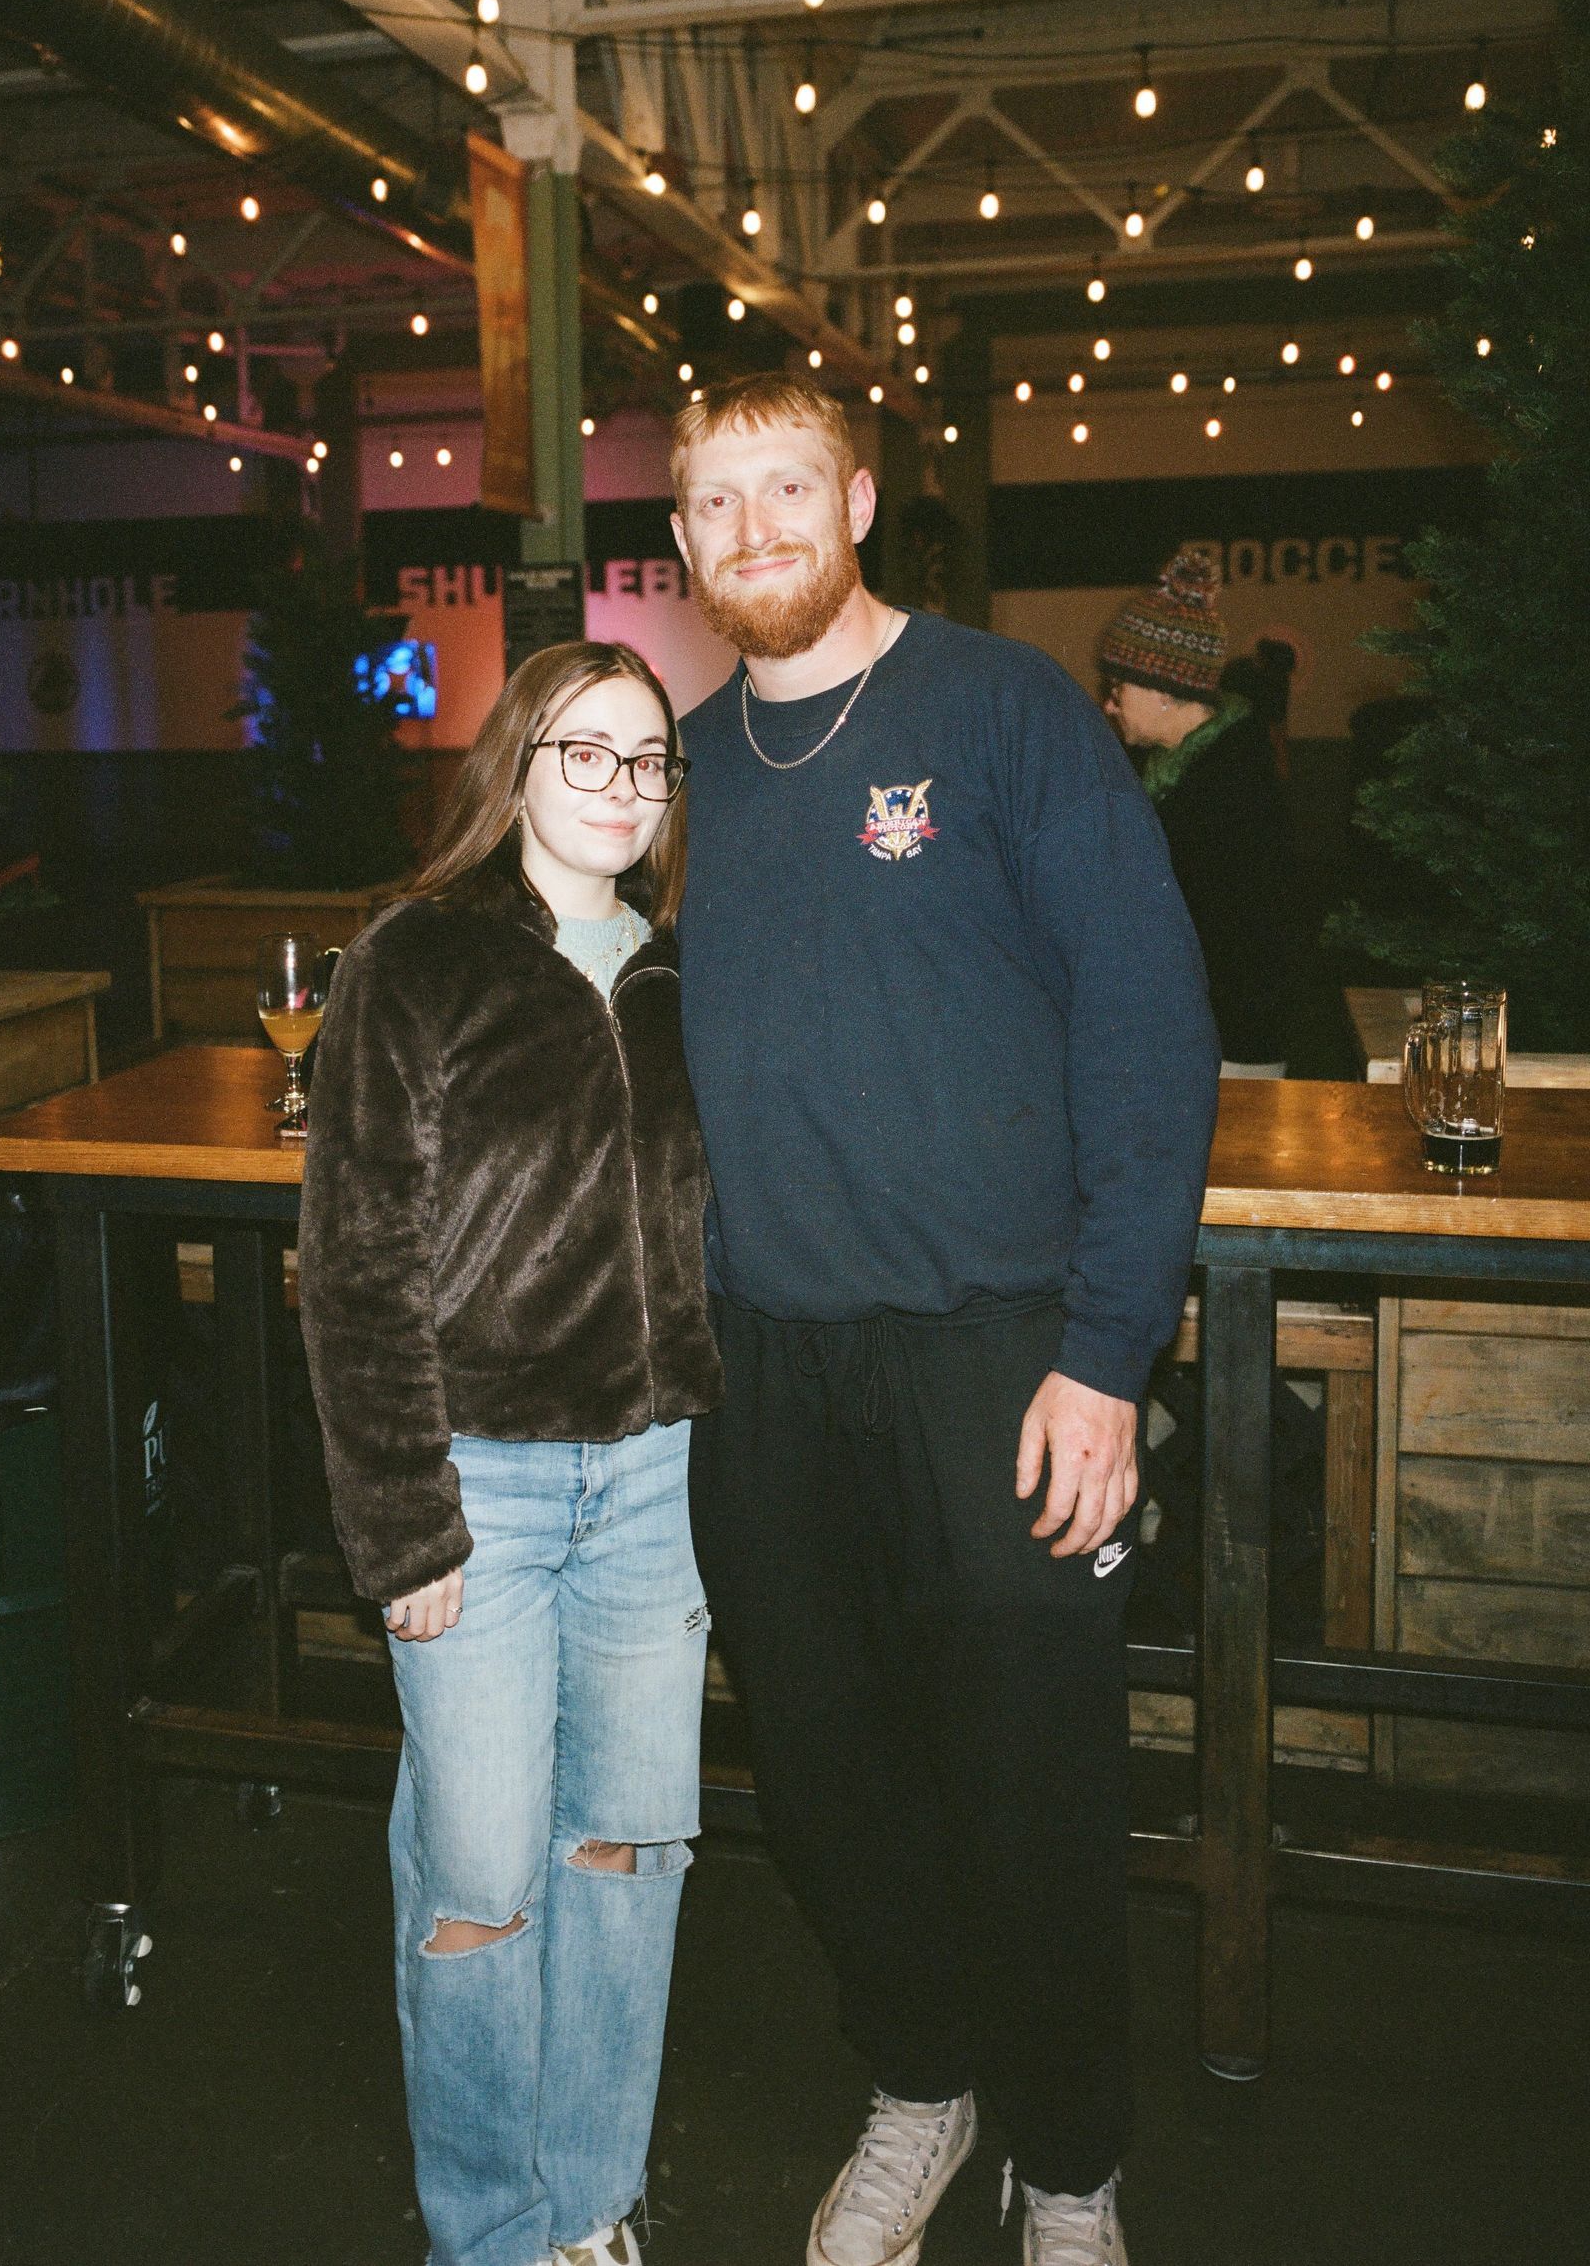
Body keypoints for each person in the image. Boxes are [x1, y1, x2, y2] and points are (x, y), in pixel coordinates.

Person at [668, 375, 1219, 2266]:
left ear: (861, 500)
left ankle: (1067, 2161)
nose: (753, 531)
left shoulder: (1004, 715)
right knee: (823, 1772)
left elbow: (1151, 1027)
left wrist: (1106, 1349)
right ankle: (923, 2077)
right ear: (679, 544)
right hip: (763, 1371)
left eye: (786, 488)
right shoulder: (683, 767)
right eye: (715, 503)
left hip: (1003, 1352)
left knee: (1033, 1784)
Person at [297, 641, 721, 2266]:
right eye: (586, 749)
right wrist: (399, 1524)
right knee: (478, 1884)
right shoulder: (416, 961)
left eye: (649, 759)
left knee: (626, 1854)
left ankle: (591, 2206)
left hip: (657, 1486)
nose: (621, 785)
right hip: (478, 1480)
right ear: (515, 762)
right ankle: (487, 2231)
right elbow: (351, 1260)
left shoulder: (685, 974)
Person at [1099, 555, 1295, 1072]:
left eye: (1118, 690)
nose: (1109, 707)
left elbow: (1226, 939)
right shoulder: (1172, 770)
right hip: (1191, 1038)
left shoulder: (1228, 788)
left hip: (1227, 1049)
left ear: (1165, 692)